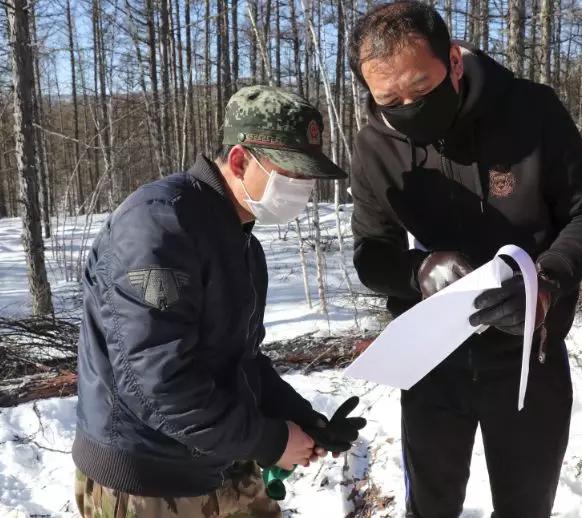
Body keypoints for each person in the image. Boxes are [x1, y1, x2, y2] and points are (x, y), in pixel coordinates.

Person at [347, 2, 582, 517]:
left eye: (420, 91)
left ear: (452, 60)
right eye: (389, 100)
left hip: (527, 359)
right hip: (430, 359)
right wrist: (417, 272)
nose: (406, 108)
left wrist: (546, 283)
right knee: (428, 507)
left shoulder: (531, 110)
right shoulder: (374, 145)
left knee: (525, 508)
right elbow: (370, 253)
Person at [72, 85, 365, 518]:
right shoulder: (159, 225)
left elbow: (238, 360)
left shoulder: (240, 240)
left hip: (214, 456)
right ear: (240, 160)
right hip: (147, 478)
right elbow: (157, 384)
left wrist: (301, 420)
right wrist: (271, 441)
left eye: (308, 178)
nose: (302, 190)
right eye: (292, 175)